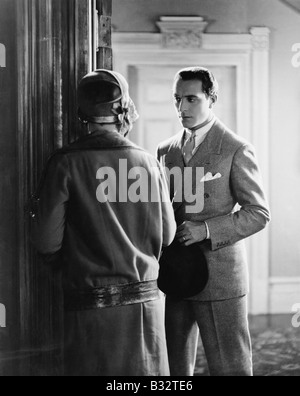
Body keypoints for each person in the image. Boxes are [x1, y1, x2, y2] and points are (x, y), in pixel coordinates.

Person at [31, 69, 176, 376]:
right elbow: (168, 236)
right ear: (124, 107)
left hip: (89, 308)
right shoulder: (148, 162)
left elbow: (46, 242)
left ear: (82, 112)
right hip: (144, 308)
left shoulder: (66, 162)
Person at [157, 67, 271, 376]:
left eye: (191, 99)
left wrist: (205, 229)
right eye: (177, 99)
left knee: (230, 368)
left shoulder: (236, 148)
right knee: (173, 368)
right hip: (175, 275)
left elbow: (258, 214)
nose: (182, 108)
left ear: (212, 98)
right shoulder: (165, 150)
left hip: (220, 278)